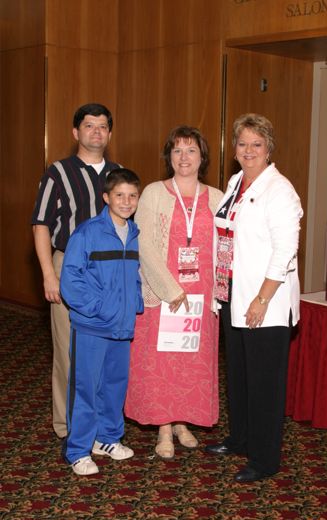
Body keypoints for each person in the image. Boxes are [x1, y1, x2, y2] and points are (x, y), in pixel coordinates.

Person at [205, 113, 303, 482]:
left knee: (264, 382)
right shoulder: (235, 182)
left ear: (268, 149)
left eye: (256, 145)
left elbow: (285, 251)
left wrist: (261, 299)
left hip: (265, 301)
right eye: (243, 144)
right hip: (233, 292)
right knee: (240, 376)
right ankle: (241, 439)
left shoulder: (280, 190)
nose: (249, 151)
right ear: (235, 149)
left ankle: (264, 459)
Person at [124, 126, 223, 459]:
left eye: (191, 150)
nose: (184, 157)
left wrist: (220, 293)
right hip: (163, 290)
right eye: (178, 150)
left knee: (191, 361)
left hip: (201, 296)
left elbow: (224, 248)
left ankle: (183, 422)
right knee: (162, 359)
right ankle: (164, 428)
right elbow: (145, 243)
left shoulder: (218, 197)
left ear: (202, 157)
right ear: (169, 156)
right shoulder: (154, 192)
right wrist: (170, 289)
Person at [31, 103, 120, 439]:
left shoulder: (118, 173)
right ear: (75, 132)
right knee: (70, 350)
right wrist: (48, 275)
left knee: (106, 349)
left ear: (109, 134)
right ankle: (69, 426)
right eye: (88, 126)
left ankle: (99, 424)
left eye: (102, 127)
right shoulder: (57, 172)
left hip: (110, 270)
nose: (95, 132)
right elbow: (40, 225)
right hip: (68, 265)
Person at [60, 168, 143, 475]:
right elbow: (71, 280)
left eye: (132, 195)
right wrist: (100, 307)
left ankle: (107, 438)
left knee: (114, 386)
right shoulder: (88, 232)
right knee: (85, 387)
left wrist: (133, 303)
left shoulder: (133, 233)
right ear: (106, 197)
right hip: (92, 326)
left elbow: (133, 276)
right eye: (119, 195)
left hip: (122, 327)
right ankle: (78, 449)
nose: (126, 201)